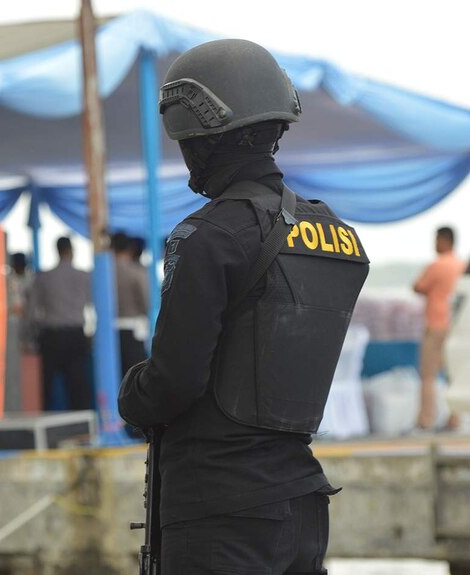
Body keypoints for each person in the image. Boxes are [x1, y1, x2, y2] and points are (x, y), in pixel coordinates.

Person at [118, 40, 369, 574]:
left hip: (220, 513)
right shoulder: (335, 234)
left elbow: (174, 382)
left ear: (202, 139)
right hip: (302, 504)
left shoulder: (208, 235)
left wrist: (131, 395)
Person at [28, 237, 92, 411]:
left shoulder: (43, 277)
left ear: (56, 250)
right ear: (71, 251)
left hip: (51, 336)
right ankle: (81, 427)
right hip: (76, 335)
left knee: (46, 388)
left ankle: (47, 426)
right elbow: (93, 305)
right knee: (77, 387)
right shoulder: (83, 276)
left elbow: (33, 313)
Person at [413, 226, 466, 430]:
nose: (434, 244)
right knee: (453, 375)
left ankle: (425, 420)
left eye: (436, 240)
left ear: (444, 240)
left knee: (428, 375)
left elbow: (418, 286)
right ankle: (455, 419)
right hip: (456, 326)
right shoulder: (461, 265)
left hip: (436, 324)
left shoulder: (437, 265)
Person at [111, 232, 149, 376]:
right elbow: (146, 303)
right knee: (135, 378)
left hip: (110, 332)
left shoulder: (103, 274)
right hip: (134, 331)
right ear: (130, 249)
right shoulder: (137, 272)